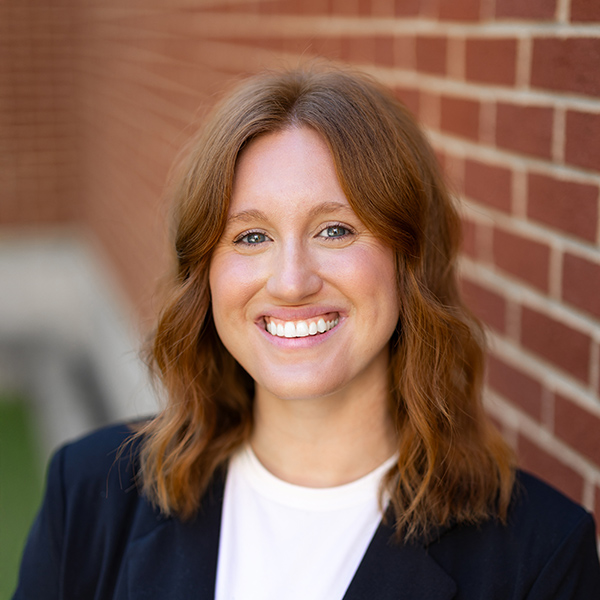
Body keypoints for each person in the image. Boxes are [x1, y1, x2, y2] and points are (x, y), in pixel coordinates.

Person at [13, 64, 600, 599]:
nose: (291, 282)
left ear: (410, 260)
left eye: (336, 230)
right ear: (207, 276)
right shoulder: (89, 493)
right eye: (251, 236)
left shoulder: (540, 559)